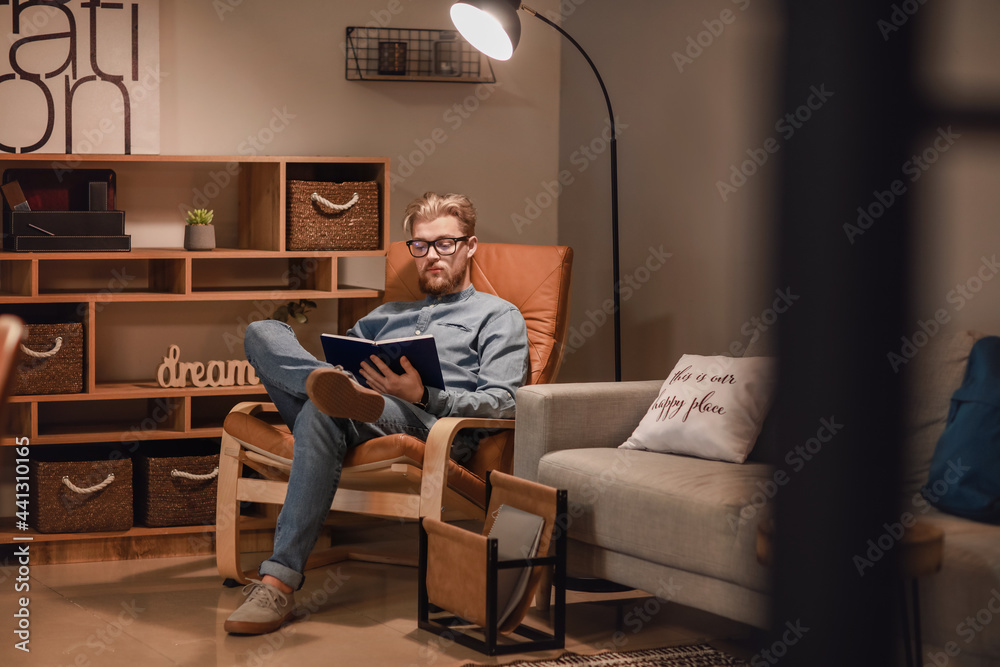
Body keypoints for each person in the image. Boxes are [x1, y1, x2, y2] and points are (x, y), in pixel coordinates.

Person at [224, 192, 530, 635]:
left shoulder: (498, 316)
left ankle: (277, 584)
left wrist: (424, 394)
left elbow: (504, 400)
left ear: (470, 245)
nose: (431, 256)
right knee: (263, 332)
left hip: (430, 428)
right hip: (353, 416)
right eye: (420, 246)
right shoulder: (386, 315)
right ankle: (326, 391)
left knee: (320, 412)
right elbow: (343, 358)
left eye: (445, 244)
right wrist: (333, 378)